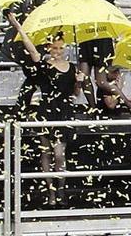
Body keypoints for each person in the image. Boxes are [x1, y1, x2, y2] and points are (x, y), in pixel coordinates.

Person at [10, 14, 83, 202]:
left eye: (60, 48)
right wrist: (18, 27)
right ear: (49, 48)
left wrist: (79, 82)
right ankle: (51, 192)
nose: (57, 51)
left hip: (65, 111)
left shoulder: (72, 67)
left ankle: (61, 189)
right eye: (54, 48)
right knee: (46, 152)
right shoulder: (43, 64)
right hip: (46, 110)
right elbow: (31, 50)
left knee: (59, 154)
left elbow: (76, 94)